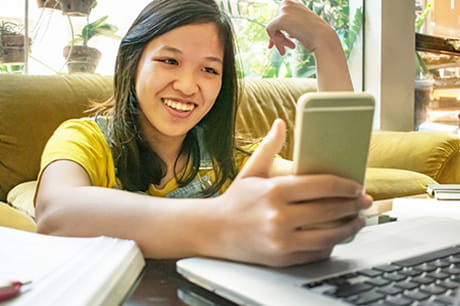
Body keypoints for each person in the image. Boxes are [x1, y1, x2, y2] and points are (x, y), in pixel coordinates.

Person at [35, 0, 372, 267]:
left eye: (209, 69)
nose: (186, 86)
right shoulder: (84, 139)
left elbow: (331, 186)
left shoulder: (228, 157)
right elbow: (57, 212)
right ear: (132, 63)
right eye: (169, 61)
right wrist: (220, 223)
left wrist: (326, 44)